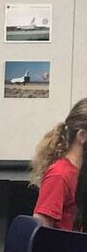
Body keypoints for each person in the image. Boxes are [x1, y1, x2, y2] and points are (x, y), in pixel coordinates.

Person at [31, 98, 87, 231]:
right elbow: (42, 233)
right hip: (69, 250)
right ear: (82, 136)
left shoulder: (82, 172)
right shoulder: (59, 175)